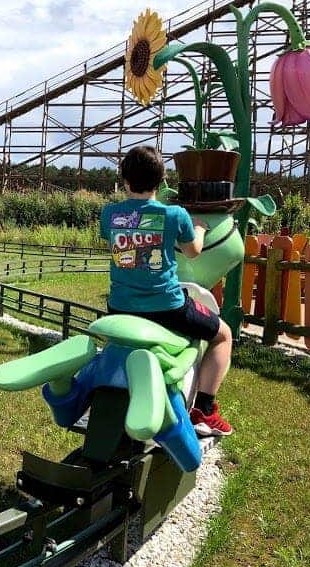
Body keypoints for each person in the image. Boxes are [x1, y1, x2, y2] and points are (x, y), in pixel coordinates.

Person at [99, 145, 233, 436]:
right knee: (223, 335)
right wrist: (199, 228)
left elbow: (117, 243)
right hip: (166, 307)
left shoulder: (109, 214)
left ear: (124, 179)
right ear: (162, 181)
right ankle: (205, 411)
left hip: (120, 307)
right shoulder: (176, 215)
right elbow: (193, 251)